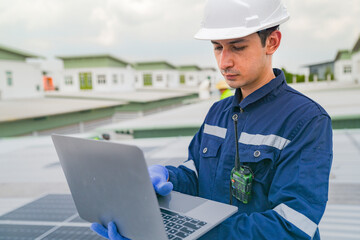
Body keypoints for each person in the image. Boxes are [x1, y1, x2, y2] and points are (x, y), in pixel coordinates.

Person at [91, 0, 333, 239]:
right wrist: (166, 178)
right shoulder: (218, 112)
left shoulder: (306, 120)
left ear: (271, 42)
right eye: (217, 47)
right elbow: (196, 175)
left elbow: (291, 227)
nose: (224, 62)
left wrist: (196, 233)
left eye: (237, 47)